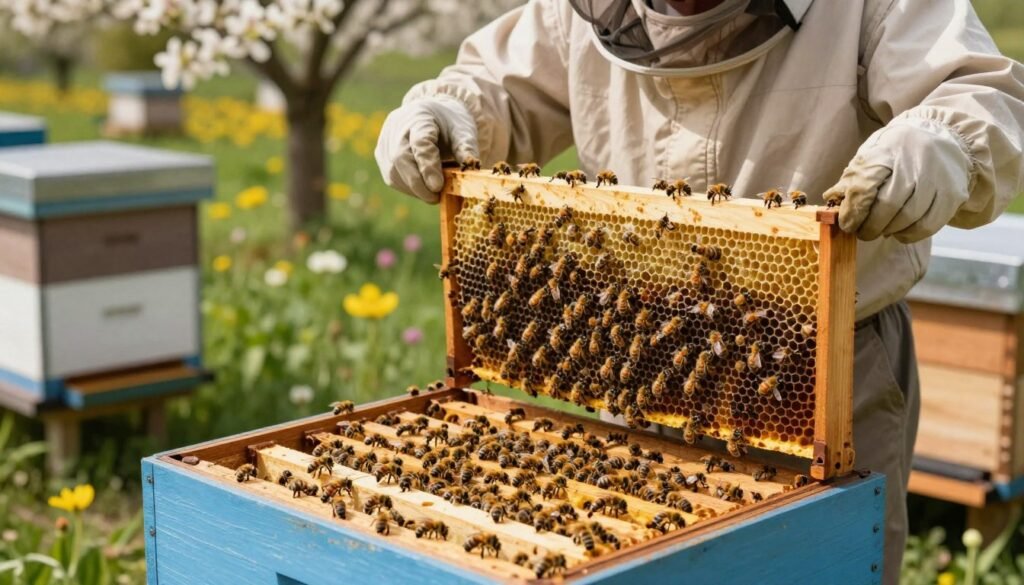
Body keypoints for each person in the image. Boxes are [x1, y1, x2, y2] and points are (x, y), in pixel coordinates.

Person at [375, 1, 1024, 581]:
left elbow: (980, 90)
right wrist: (447, 108)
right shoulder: (579, 11)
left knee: (820, 560)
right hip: (636, 361)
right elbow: (499, 88)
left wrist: (943, 141)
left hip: (822, 368)